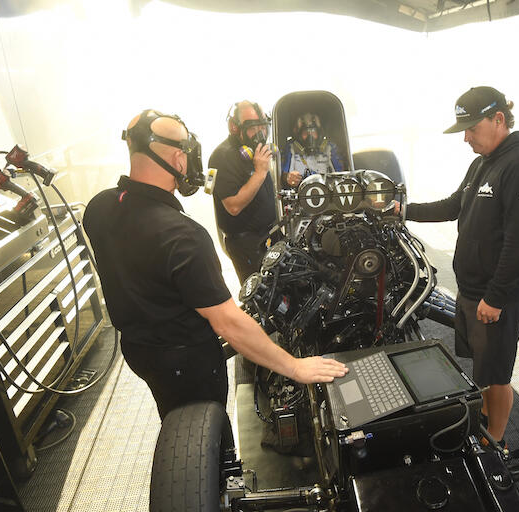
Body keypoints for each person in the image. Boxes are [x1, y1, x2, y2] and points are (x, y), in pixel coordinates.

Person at [83, 109, 346, 420]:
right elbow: (227, 323)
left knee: (171, 414)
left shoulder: (98, 207)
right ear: (178, 158)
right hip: (189, 362)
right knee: (205, 430)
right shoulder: (183, 236)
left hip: (139, 351)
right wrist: (295, 367)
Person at [403, 86, 519, 445]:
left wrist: (496, 298)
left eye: (471, 128)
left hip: (496, 297)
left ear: (498, 119)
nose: (466, 137)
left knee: (497, 376)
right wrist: (403, 211)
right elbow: (453, 205)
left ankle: (495, 442)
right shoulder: (483, 161)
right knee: (484, 370)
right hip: (472, 290)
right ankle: (485, 418)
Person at [208, 100, 277, 283]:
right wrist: (260, 172)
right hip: (247, 244)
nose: (260, 134)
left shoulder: (256, 151)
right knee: (260, 293)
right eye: (253, 128)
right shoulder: (222, 156)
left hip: (269, 234)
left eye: (263, 127)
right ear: (234, 127)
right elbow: (233, 206)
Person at [281, 112, 345, 188]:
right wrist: (289, 178)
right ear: (299, 133)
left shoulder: (330, 147)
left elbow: (341, 175)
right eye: (305, 131)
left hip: (327, 191)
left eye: (313, 130)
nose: (310, 135)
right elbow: (284, 176)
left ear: (319, 132)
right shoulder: (291, 148)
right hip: (301, 192)